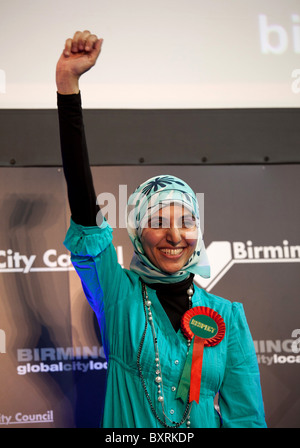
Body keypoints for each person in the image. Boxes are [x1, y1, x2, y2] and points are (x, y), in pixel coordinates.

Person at [56, 30, 267, 428]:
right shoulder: (117, 295)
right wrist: (68, 87)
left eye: (186, 221)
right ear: (136, 233)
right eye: (157, 222)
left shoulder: (227, 316)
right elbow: (84, 209)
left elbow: (248, 420)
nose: (175, 236)